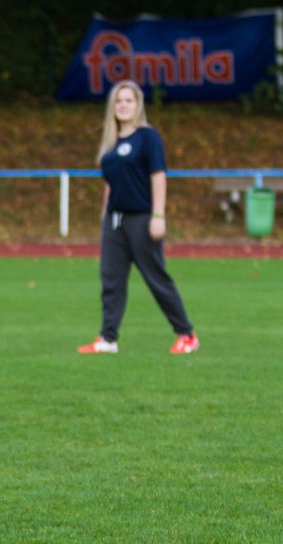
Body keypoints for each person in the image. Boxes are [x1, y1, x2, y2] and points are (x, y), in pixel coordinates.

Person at [78, 80, 198, 355]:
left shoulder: (148, 137)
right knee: (111, 279)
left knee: (156, 277)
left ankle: (186, 334)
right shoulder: (111, 144)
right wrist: (104, 216)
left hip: (141, 217)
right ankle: (108, 339)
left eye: (128, 100)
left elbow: (158, 176)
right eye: (118, 101)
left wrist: (158, 215)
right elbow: (110, 183)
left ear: (138, 104)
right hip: (116, 220)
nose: (123, 105)